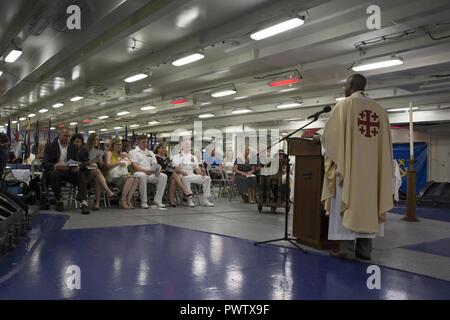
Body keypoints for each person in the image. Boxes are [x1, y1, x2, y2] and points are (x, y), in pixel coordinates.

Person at [321, 74, 393, 261]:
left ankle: (346, 249)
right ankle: (365, 250)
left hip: (349, 169)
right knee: (369, 205)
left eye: (345, 84)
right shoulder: (380, 110)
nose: (344, 88)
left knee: (347, 201)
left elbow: (330, 137)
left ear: (351, 85)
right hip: (372, 173)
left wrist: (320, 139)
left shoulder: (345, 105)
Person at [42, 128, 89, 214]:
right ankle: (59, 200)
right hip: (56, 170)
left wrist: (77, 167)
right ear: (59, 135)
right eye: (65, 136)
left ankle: (83, 202)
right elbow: (45, 163)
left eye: (68, 136)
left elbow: (78, 161)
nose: (67, 138)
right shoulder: (50, 146)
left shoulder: (73, 147)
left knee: (80, 175)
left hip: (68, 171)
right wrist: (56, 166)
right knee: (54, 175)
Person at [69, 134, 116, 210]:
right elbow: (79, 163)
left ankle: (97, 204)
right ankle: (108, 191)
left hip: (94, 174)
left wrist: (100, 162)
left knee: (97, 178)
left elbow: (102, 166)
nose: (96, 141)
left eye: (97, 140)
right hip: (83, 174)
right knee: (96, 172)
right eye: (94, 140)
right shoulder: (84, 150)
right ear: (90, 140)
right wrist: (89, 162)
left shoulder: (97, 151)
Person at [172, 139, 214, 207]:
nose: (188, 146)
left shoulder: (193, 157)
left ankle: (205, 199)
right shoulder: (177, 156)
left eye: (189, 144)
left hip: (192, 174)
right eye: (186, 144)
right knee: (186, 178)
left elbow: (196, 169)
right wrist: (182, 172)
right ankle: (189, 199)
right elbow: (175, 167)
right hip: (183, 175)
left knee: (207, 178)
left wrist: (201, 173)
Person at [129, 135, 167, 209]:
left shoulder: (150, 152)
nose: (145, 144)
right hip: (138, 172)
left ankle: (158, 200)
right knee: (142, 176)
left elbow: (155, 164)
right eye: (143, 142)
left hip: (150, 173)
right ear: (137, 142)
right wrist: (145, 171)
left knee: (163, 176)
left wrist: (157, 170)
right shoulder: (132, 152)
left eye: (146, 142)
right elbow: (135, 166)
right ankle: (144, 201)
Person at [105, 138, 138, 209]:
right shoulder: (109, 153)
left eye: (120, 145)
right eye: (117, 145)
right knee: (131, 179)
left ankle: (128, 200)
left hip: (123, 174)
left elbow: (129, 163)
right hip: (113, 176)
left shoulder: (122, 154)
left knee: (136, 179)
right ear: (113, 145)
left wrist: (127, 158)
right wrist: (119, 163)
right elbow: (108, 165)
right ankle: (122, 200)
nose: (119, 146)